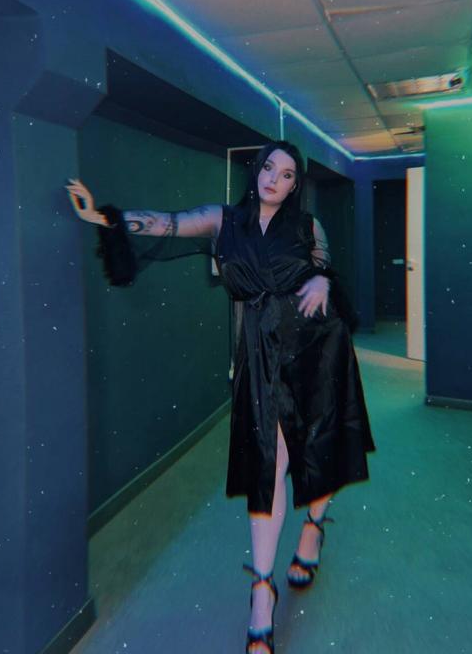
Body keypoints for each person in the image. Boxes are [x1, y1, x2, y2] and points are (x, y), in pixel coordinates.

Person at [65, 140, 375, 654]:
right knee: (269, 464)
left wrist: (322, 280)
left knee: (321, 445)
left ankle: (315, 525)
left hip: (319, 349)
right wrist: (103, 216)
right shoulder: (222, 221)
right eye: (269, 168)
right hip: (261, 357)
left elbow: (324, 268)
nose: (274, 179)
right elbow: (166, 224)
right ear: (256, 170)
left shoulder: (308, 226)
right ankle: (262, 590)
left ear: (295, 185)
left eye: (287, 174)